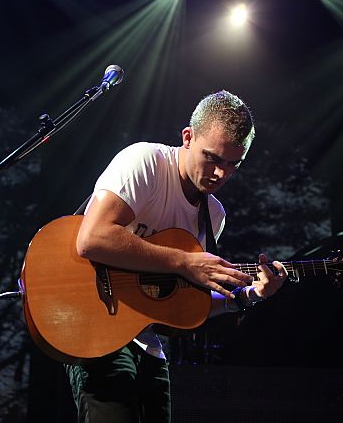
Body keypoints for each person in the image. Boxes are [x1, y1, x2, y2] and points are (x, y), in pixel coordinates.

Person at [69, 90, 287, 423]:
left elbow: (182, 303)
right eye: (212, 158)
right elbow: (92, 238)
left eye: (233, 164)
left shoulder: (213, 215)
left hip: (146, 340)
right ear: (188, 137)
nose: (221, 174)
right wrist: (184, 262)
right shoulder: (146, 162)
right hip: (90, 317)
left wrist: (248, 296)